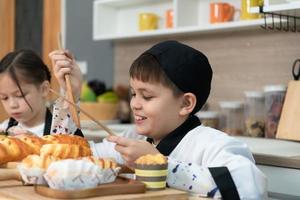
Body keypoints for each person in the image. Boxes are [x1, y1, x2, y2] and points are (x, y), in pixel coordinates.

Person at [51, 41, 267, 199]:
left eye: (147, 96)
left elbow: (250, 188)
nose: (135, 103)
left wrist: (160, 164)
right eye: (134, 93)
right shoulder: (133, 140)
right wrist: (69, 92)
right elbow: (63, 156)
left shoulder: (213, 144)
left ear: (185, 104)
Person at [0, 49, 83, 137]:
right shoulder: (3, 129)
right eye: (4, 98)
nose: (12, 105)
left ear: (44, 89)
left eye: (20, 95)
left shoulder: (62, 129)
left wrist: (73, 92)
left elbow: (66, 146)